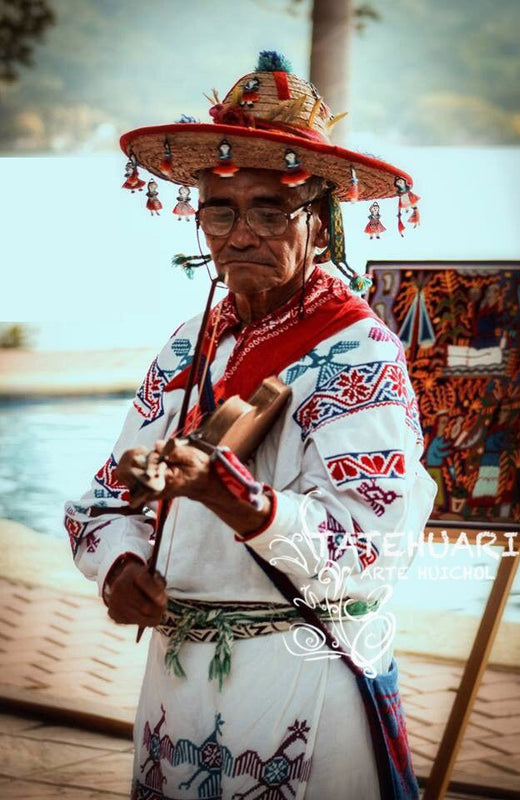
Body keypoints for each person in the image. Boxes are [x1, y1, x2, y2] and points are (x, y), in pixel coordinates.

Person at [65, 50, 436, 800]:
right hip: (177, 687)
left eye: (270, 210)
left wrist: (234, 498)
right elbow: (103, 501)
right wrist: (122, 568)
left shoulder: (355, 353)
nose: (238, 235)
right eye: (218, 209)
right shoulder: (190, 343)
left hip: (299, 672)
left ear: (321, 226)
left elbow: (370, 548)